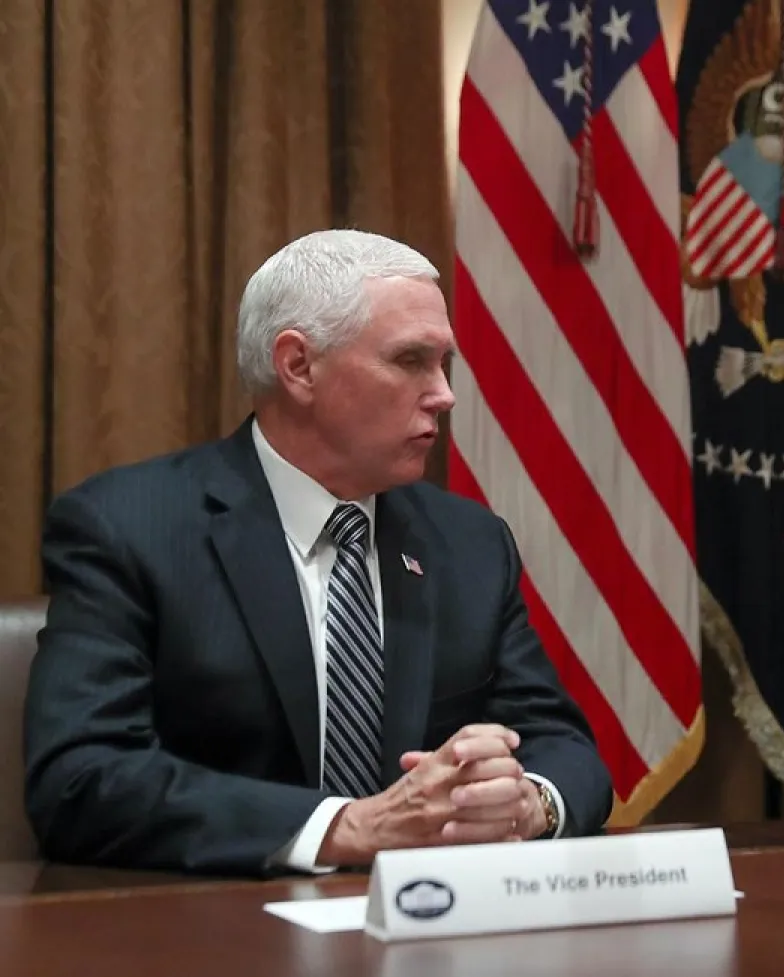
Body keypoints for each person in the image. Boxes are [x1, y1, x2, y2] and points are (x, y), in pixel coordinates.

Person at [24, 229, 613, 875]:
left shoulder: (468, 543)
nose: (443, 393)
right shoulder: (129, 527)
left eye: (444, 362)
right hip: (214, 931)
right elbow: (81, 778)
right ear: (298, 366)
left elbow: (564, 747)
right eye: (411, 359)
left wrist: (526, 803)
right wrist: (349, 826)